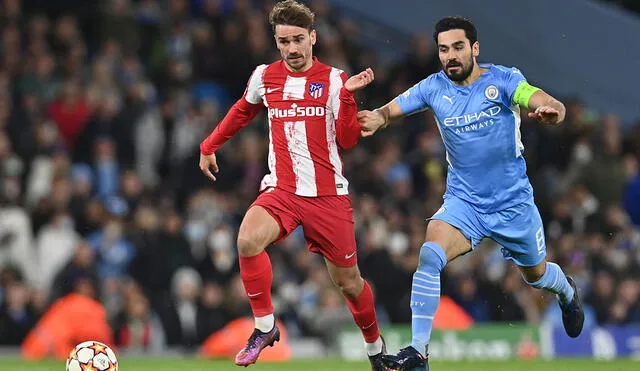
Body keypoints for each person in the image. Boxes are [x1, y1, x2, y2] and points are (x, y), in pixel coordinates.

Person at [358, 16, 585, 371]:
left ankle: (568, 293)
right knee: (430, 254)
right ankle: (419, 351)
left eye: (458, 47)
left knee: (536, 276)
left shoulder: (504, 80)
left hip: (513, 205)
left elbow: (540, 98)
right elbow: (391, 110)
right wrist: (377, 117)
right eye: (444, 49)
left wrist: (551, 110)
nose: (450, 56)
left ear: (474, 49)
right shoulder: (433, 87)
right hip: (465, 204)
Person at [199, 1, 388, 369]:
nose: (292, 49)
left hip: (327, 196)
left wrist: (348, 96)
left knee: (349, 283)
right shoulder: (264, 76)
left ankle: (376, 349)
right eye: (284, 41)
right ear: (276, 41)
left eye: (298, 39)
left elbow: (348, 139)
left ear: (313, 37)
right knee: (246, 240)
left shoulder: (334, 80)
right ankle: (265, 327)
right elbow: (242, 110)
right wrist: (209, 145)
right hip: (282, 191)